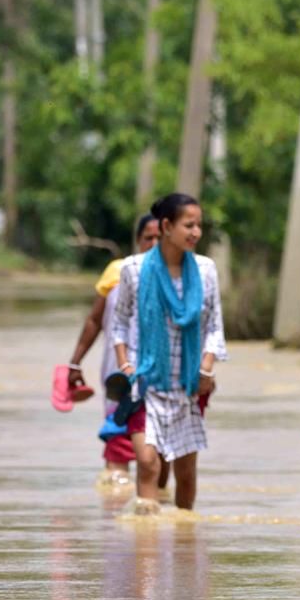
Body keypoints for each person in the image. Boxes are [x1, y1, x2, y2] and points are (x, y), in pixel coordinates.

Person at [112, 193, 227, 511]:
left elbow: (214, 327)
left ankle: (184, 536)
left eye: (199, 225)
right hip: (145, 383)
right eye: (189, 225)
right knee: (147, 463)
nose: (196, 232)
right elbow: (119, 322)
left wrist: (206, 369)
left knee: (185, 473)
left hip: (189, 386)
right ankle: (146, 539)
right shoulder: (133, 269)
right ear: (166, 226)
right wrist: (124, 365)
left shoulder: (205, 270)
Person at [65, 213, 161, 485]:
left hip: (160, 382)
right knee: (117, 458)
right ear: (138, 241)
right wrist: (75, 363)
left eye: (160, 238)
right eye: (148, 238)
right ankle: (114, 510)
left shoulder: (177, 277)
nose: (154, 244)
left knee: (157, 460)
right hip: (119, 377)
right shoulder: (117, 271)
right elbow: (94, 320)